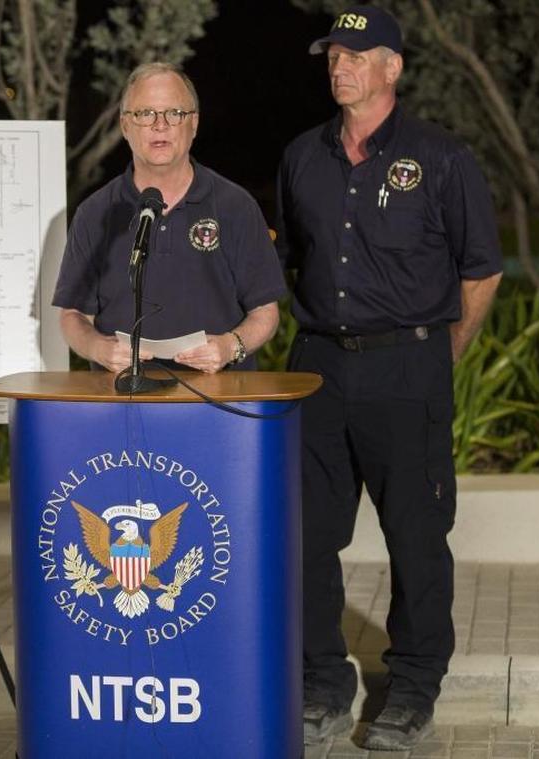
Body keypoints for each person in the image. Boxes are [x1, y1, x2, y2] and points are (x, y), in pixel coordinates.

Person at [275, 5, 504, 751]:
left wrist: (441, 354)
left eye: (355, 54)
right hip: (319, 368)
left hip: (408, 366)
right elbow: (289, 262)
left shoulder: (441, 158)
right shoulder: (301, 157)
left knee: (416, 535)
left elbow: (482, 270)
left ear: (392, 66)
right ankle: (323, 684)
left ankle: (412, 689)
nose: (338, 66)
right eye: (332, 55)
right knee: (305, 535)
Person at [53, 62, 284, 376]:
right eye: (145, 113)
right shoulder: (95, 213)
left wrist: (231, 346)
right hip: (121, 393)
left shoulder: (235, 206)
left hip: (220, 395)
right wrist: (99, 349)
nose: (160, 125)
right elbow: (73, 315)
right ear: (125, 125)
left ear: (194, 124)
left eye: (174, 113)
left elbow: (266, 311)